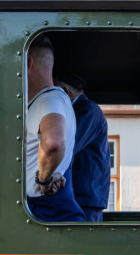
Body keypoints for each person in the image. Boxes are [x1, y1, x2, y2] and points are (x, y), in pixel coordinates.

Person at [25, 37, 85, 222]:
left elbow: (53, 142)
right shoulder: (49, 100)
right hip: (45, 209)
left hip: (46, 210)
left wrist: (43, 180)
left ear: (28, 63)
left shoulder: (49, 100)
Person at [54, 71, 110, 221]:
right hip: (81, 195)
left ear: (65, 92)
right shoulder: (79, 110)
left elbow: (68, 145)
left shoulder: (88, 110)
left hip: (85, 197)